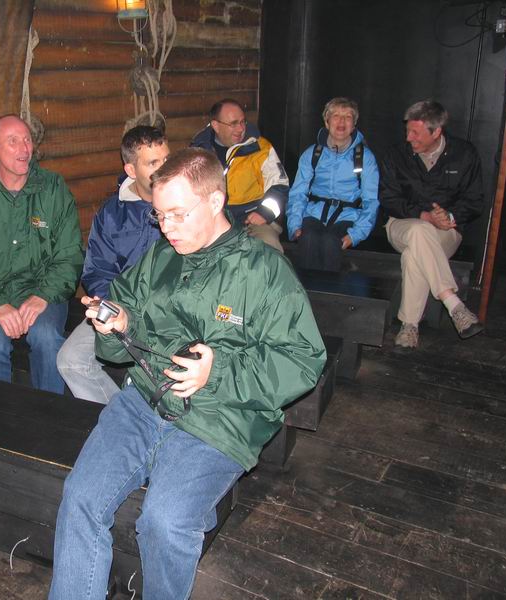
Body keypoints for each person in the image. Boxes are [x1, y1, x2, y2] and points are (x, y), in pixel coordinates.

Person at [48, 148, 326, 599]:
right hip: (143, 401)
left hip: (220, 418)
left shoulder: (264, 271)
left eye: (178, 214)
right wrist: (118, 322)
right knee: (80, 496)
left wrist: (218, 371)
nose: (167, 227)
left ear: (215, 201)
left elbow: (302, 358)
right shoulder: (162, 257)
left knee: (165, 521)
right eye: (159, 215)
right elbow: (126, 316)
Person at [0, 114, 83, 392]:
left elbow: (69, 253)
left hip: (44, 291)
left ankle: (49, 412)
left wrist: (43, 295)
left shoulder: (53, 189)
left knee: (46, 337)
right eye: (12, 141)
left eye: (27, 140)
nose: (24, 148)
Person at [56, 126, 169, 403]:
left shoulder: (184, 205)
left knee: (152, 373)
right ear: (131, 170)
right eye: (153, 163)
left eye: (167, 159)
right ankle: (118, 415)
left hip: (171, 314)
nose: (165, 169)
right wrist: (114, 307)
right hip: (122, 306)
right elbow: (97, 270)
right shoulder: (112, 212)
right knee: (71, 360)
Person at [379, 100, 485, 349]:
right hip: (402, 225)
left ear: (436, 131)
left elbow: (475, 201)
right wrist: (424, 215)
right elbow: (388, 199)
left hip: (447, 231)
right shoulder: (396, 154)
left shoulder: (464, 154)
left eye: (415, 133)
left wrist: (449, 217)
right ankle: (453, 303)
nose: (409, 138)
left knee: (414, 254)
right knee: (419, 229)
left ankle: (409, 326)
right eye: (407, 131)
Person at [286, 97, 380, 271]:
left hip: (348, 216)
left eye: (348, 117)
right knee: (308, 239)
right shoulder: (312, 154)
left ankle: (331, 288)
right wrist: (295, 225)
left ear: (354, 124)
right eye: (336, 116)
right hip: (314, 213)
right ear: (327, 122)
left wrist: (356, 234)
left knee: (331, 242)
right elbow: (298, 193)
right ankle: (305, 287)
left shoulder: (364, 158)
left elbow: (371, 200)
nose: (341, 121)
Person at [191, 98, 290, 253]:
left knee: (269, 248)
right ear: (216, 125)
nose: (241, 128)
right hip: (214, 220)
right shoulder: (198, 152)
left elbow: (280, 185)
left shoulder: (260, 148)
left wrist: (264, 213)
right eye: (233, 123)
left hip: (253, 220)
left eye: (243, 122)